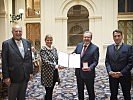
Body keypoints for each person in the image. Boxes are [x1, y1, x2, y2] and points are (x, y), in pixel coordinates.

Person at [2, 24, 33, 100]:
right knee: (12, 98)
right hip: (13, 78)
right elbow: (4, 61)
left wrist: (31, 72)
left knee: (22, 97)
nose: (18, 33)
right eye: (16, 31)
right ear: (12, 32)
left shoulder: (27, 42)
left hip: (25, 76)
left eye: (20, 31)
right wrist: (6, 77)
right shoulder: (6, 44)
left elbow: (29, 59)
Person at [105, 29, 133, 100]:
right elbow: (107, 61)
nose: (117, 38)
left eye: (118, 36)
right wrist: (110, 71)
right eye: (115, 36)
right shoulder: (109, 48)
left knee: (126, 94)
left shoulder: (128, 48)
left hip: (125, 75)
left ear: (122, 36)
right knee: (113, 94)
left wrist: (121, 73)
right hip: (112, 75)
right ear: (113, 37)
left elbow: (130, 63)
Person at [73, 31, 99, 100]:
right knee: (80, 91)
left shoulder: (95, 48)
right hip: (79, 73)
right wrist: (72, 55)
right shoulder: (79, 45)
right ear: (83, 38)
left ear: (91, 38)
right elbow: (74, 53)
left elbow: (95, 61)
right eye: (85, 37)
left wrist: (90, 68)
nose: (86, 38)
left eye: (88, 37)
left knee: (90, 91)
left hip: (89, 74)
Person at [40, 34, 63, 100]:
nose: (49, 41)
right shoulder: (43, 49)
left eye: (51, 40)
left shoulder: (54, 49)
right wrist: (55, 65)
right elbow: (45, 61)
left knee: (51, 89)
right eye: (48, 40)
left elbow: (56, 59)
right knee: (48, 90)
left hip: (54, 72)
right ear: (45, 41)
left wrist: (60, 64)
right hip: (47, 74)